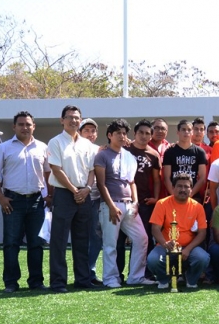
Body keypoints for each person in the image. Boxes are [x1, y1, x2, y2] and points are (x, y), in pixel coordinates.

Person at [0, 111, 51, 293]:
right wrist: (0, 197)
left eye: (28, 124)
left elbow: (48, 173)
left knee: (36, 243)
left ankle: (36, 282)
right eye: (21, 124)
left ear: (34, 126)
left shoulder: (42, 147)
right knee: (11, 243)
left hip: (37, 201)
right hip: (12, 200)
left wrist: (50, 195)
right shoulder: (5, 148)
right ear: (14, 127)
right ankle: (11, 282)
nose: (25, 127)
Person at [47, 105, 100, 292]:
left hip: (84, 195)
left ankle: (83, 280)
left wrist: (86, 189)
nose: (73, 121)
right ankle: (58, 282)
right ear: (62, 120)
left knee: (82, 239)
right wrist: (73, 190)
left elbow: (92, 170)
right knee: (59, 240)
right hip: (63, 194)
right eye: (69, 117)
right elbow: (56, 169)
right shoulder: (55, 142)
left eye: (77, 118)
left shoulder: (87, 145)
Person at [94, 119, 151, 288]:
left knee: (142, 238)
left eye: (124, 133)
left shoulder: (128, 156)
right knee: (111, 244)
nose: (122, 136)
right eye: (118, 133)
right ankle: (110, 279)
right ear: (109, 135)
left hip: (129, 206)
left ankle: (136, 277)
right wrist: (111, 206)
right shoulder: (102, 155)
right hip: (111, 206)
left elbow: (131, 182)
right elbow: (101, 184)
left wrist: (135, 202)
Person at [147, 173, 210, 289]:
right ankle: (164, 279)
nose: (183, 189)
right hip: (166, 246)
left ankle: (190, 279)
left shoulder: (198, 207)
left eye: (186, 187)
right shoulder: (162, 203)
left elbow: (202, 233)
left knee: (202, 258)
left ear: (191, 189)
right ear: (173, 188)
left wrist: (189, 249)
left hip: (189, 248)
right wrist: (164, 244)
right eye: (179, 186)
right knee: (153, 259)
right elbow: (155, 229)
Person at [124, 119, 161, 262]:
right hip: (124, 198)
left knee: (144, 237)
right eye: (140, 132)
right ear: (134, 133)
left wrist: (156, 198)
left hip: (144, 201)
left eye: (147, 133)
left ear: (151, 136)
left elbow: (157, 180)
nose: (143, 136)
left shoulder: (153, 154)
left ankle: (144, 272)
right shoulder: (125, 149)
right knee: (120, 240)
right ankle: (119, 275)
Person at [78, 118, 104, 281]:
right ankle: (81, 273)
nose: (90, 134)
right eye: (86, 130)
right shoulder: (74, 148)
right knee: (80, 237)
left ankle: (90, 271)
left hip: (96, 199)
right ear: (80, 132)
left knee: (96, 236)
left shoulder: (100, 150)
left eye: (93, 131)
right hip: (79, 197)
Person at [162, 119, 208, 203]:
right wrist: (174, 195)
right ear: (178, 132)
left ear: (192, 132)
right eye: (183, 129)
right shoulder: (169, 152)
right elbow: (166, 178)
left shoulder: (200, 152)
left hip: (193, 196)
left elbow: (202, 178)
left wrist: (191, 193)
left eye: (189, 130)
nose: (186, 132)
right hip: (173, 196)